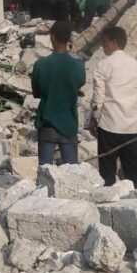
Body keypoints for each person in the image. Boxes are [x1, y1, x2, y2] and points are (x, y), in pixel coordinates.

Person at [89, 26, 137, 188]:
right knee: (133, 172)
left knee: (107, 174)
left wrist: (94, 119)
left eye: (105, 41)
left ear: (114, 42)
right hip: (132, 128)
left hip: (108, 127)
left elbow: (98, 98)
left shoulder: (102, 66)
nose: (102, 45)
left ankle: (108, 200)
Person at [32, 21, 85, 165]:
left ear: (52, 37)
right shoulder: (78, 66)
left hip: (47, 124)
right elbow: (79, 85)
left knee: (45, 171)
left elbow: (36, 93)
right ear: (69, 38)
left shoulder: (41, 64)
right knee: (71, 171)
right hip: (69, 124)